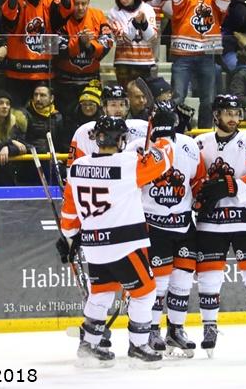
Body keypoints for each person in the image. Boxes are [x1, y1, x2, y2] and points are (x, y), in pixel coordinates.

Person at [59, 115, 173, 367]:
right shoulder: (129, 163)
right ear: (121, 139)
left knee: (100, 294)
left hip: (94, 247)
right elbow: (163, 160)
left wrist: (70, 236)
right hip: (125, 244)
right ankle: (138, 346)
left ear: (96, 138)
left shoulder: (77, 167)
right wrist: (164, 135)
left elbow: (68, 214)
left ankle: (89, 345)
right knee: (145, 293)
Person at [192, 94, 246, 357]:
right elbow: (193, 178)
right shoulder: (200, 143)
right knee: (208, 275)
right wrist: (200, 196)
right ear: (216, 115)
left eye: (237, 113)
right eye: (228, 113)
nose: (234, 118)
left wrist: (230, 186)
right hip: (211, 219)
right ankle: (209, 326)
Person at [126, 101, 201, 357]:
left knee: (182, 281)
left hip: (184, 223)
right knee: (158, 284)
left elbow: (197, 179)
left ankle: (176, 330)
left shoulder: (189, 145)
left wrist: (203, 196)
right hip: (153, 224)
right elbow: (133, 180)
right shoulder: (138, 146)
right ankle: (152, 330)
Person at [170, 0, 231, 128]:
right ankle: (176, 131)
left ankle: (204, 133)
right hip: (183, 54)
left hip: (207, 54)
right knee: (178, 97)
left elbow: (225, 1)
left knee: (209, 99)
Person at [2, 0, 72, 102]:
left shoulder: (50, 1)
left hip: (44, 72)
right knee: (18, 112)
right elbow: (8, 15)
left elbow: (67, 10)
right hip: (17, 72)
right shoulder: (16, 0)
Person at [55, 0, 113, 116]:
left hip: (91, 80)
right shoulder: (60, 16)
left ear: (88, 3)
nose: (80, 8)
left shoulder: (98, 15)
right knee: (66, 118)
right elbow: (57, 47)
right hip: (65, 82)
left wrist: (89, 45)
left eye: (84, 4)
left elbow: (108, 42)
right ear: (70, 2)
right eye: (76, 4)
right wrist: (79, 42)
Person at [67, 85, 150, 167]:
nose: (119, 109)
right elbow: (72, 166)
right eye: (113, 105)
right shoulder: (85, 131)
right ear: (104, 108)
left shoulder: (143, 128)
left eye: (122, 105)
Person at [108, 0, 156, 88]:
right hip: (123, 62)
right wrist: (135, 23)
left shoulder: (147, 9)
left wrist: (144, 23)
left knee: (144, 95)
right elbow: (122, 39)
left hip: (145, 61)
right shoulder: (114, 13)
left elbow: (151, 37)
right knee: (125, 94)